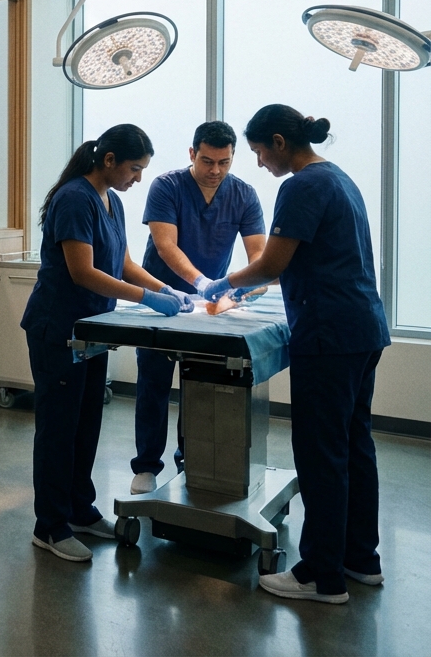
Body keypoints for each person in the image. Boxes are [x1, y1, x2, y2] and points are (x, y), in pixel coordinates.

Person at [204, 105, 389, 605]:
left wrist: (222, 284)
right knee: (354, 447)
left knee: (321, 454)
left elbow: (273, 263)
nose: (260, 164)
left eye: (261, 152)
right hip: (362, 329)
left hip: (329, 336)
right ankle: (360, 559)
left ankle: (320, 577)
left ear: (280, 142)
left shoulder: (301, 185)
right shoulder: (339, 178)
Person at [22, 124, 193, 563]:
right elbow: (83, 272)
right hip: (58, 328)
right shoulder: (75, 198)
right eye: (135, 169)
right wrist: (148, 300)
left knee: (85, 426)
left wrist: (168, 289)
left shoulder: (111, 201)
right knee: (59, 430)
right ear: (110, 160)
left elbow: (121, 262)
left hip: (92, 329)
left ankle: (79, 509)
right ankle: (51, 526)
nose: (138, 179)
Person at [130, 121, 266, 495]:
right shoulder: (166, 187)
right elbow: (166, 246)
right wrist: (202, 283)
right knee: (153, 384)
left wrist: (248, 282)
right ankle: (146, 466)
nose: (215, 170)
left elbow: (258, 253)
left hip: (207, 309)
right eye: (207, 161)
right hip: (162, 299)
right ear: (192, 154)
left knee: (200, 384)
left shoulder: (244, 195)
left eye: (224, 162)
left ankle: (190, 458)